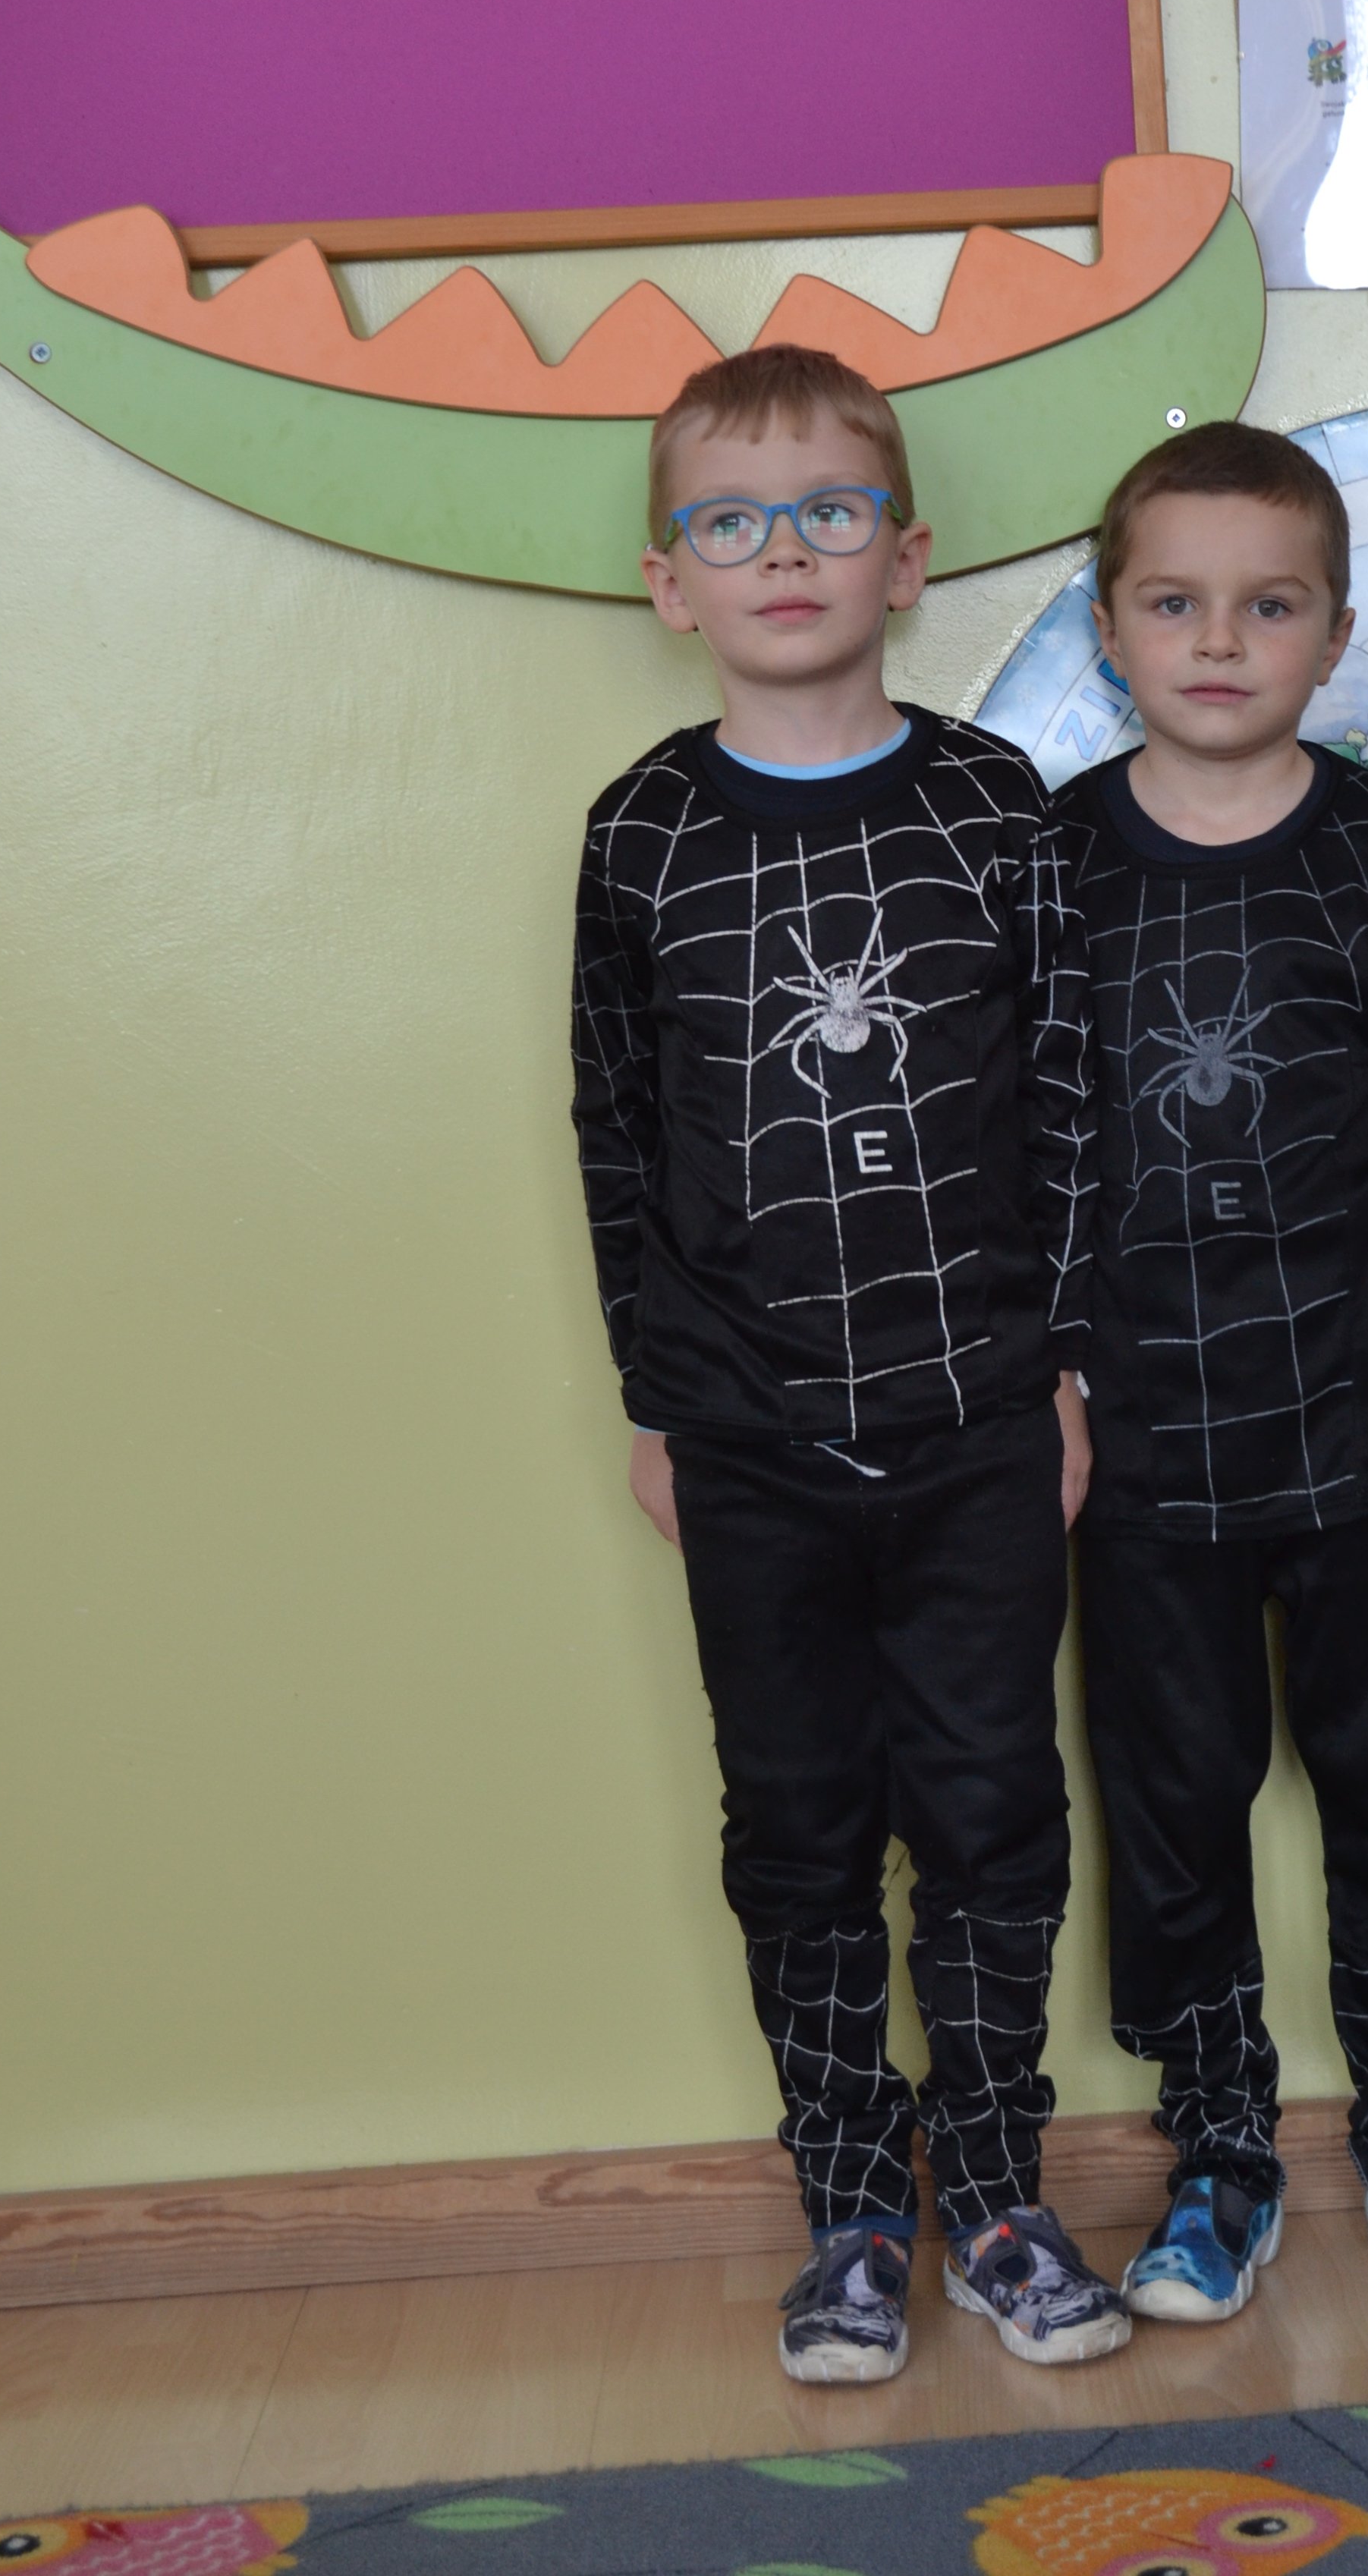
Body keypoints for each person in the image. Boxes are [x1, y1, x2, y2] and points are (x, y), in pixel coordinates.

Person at [569, 344, 1127, 2390]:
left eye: (827, 510)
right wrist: (654, 1397)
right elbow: (615, 1134)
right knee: (796, 1825)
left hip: (979, 1415)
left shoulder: (993, 809)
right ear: (671, 580)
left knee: (991, 1809)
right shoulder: (641, 836)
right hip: (745, 1433)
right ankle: (851, 2213)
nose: (782, 549)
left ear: (904, 556)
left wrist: (1063, 1372)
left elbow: (1067, 1103)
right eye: (731, 519)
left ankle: (994, 2189)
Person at [1052, 419, 1368, 2331]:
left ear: (1333, 633)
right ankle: (1217, 2152)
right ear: (1110, 628)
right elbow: (1028, 1140)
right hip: (1139, 1447)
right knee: (1172, 1807)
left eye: (1267, 606)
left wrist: (1344, 1282)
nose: (1218, 641)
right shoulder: (1050, 863)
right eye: (1174, 603)